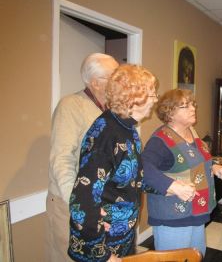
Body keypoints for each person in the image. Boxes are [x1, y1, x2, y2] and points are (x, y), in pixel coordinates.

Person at [67, 64, 158, 262]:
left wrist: (165, 188)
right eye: (151, 94)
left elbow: (134, 177)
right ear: (132, 97)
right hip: (103, 242)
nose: (155, 100)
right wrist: (104, 255)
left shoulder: (127, 128)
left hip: (122, 236)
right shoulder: (108, 133)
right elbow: (82, 199)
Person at [47, 53, 119, 261]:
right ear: (96, 82)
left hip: (100, 201)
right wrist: (79, 206)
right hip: (72, 201)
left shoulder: (112, 110)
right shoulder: (71, 106)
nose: (119, 81)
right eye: (114, 76)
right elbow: (62, 159)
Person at [141, 89, 222, 256]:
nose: (193, 108)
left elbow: (197, 161)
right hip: (174, 217)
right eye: (185, 106)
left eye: (193, 104)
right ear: (170, 112)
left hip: (197, 212)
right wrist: (173, 186)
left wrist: (214, 168)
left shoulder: (191, 133)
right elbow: (143, 168)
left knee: (195, 256)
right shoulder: (160, 140)